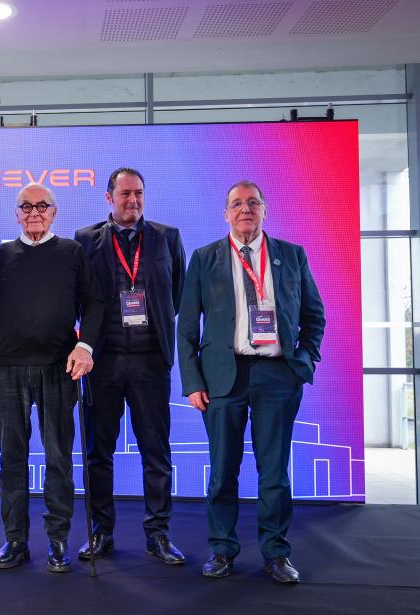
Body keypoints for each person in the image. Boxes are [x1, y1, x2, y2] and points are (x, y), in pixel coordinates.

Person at [177, 180, 326, 584]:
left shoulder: (291, 256)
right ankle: (222, 550)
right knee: (223, 471)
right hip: (223, 378)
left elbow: (315, 316)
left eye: (253, 203)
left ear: (264, 210)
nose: (245, 210)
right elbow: (187, 327)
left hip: (278, 376)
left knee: (274, 472)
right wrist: (192, 381)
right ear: (225, 213)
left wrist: (306, 360)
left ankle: (276, 553)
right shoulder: (205, 258)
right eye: (237, 204)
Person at [0, 183, 104, 573]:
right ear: (16, 213)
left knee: (57, 458)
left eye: (42, 206)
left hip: (58, 368)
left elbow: (95, 303)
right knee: (11, 458)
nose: (34, 212)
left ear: (54, 212)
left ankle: (57, 541)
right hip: (7, 370)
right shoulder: (1, 255)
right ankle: (15, 540)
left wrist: (84, 347)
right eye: (26, 207)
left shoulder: (72, 252)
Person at [74, 167, 187, 564]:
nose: (133, 201)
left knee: (155, 451)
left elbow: (177, 295)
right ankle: (101, 532)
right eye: (124, 194)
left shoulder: (166, 238)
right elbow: (81, 298)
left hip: (150, 362)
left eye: (138, 193)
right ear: (109, 198)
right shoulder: (85, 240)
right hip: (102, 363)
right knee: (97, 452)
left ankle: (158, 533)